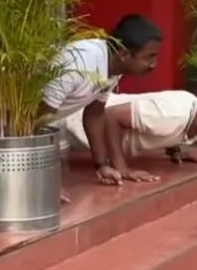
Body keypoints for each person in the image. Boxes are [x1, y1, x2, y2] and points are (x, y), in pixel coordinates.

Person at [41, 14, 163, 188]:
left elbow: (94, 114)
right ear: (124, 54)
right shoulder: (79, 63)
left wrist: (102, 166)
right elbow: (38, 120)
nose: (153, 64)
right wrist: (44, 186)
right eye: (148, 57)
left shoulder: (113, 65)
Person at [57, 88, 197, 165]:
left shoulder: (192, 110)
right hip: (71, 123)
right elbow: (111, 115)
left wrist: (175, 149)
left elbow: (168, 127)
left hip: (83, 121)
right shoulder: (172, 115)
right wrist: (121, 167)